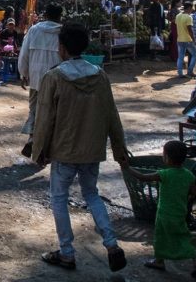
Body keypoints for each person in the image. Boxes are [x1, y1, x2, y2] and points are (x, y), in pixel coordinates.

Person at [32, 23, 128, 273]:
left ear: (61, 48)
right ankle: (112, 244)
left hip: (64, 151)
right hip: (92, 150)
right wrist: (120, 149)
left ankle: (66, 252)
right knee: (92, 194)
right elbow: (112, 115)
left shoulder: (54, 77)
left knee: (59, 199)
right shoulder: (99, 75)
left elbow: (44, 118)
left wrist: (39, 150)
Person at [125, 140, 196, 276]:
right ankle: (182, 259)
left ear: (167, 158)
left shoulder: (164, 174)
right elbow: (193, 193)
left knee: (161, 237)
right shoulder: (189, 175)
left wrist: (126, 168)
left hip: (164, 213)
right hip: (180, 212)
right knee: (181, 235)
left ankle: (191, 258)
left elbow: (142, 177)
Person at [18, 4, 63, 146]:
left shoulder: (34, 30)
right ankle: (49, 142)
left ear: (45, 15)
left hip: (36, 78)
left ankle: (32, 138)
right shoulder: (63, 32)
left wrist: (23, 74)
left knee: (34, 109)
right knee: (54, 110)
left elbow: (24, 54)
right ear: (59, 16)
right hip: (57, 79)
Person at [175, 1, 196, 78]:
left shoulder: (178, 16)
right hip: (188, 39)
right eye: (192, 8)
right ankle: (190, 71)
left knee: (180, 57)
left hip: (179, 39)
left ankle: (180, 73)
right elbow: (190, 30)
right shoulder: (188, 17)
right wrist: (194, 40)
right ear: (189, 8)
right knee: (195, 55)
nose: (192, 10)